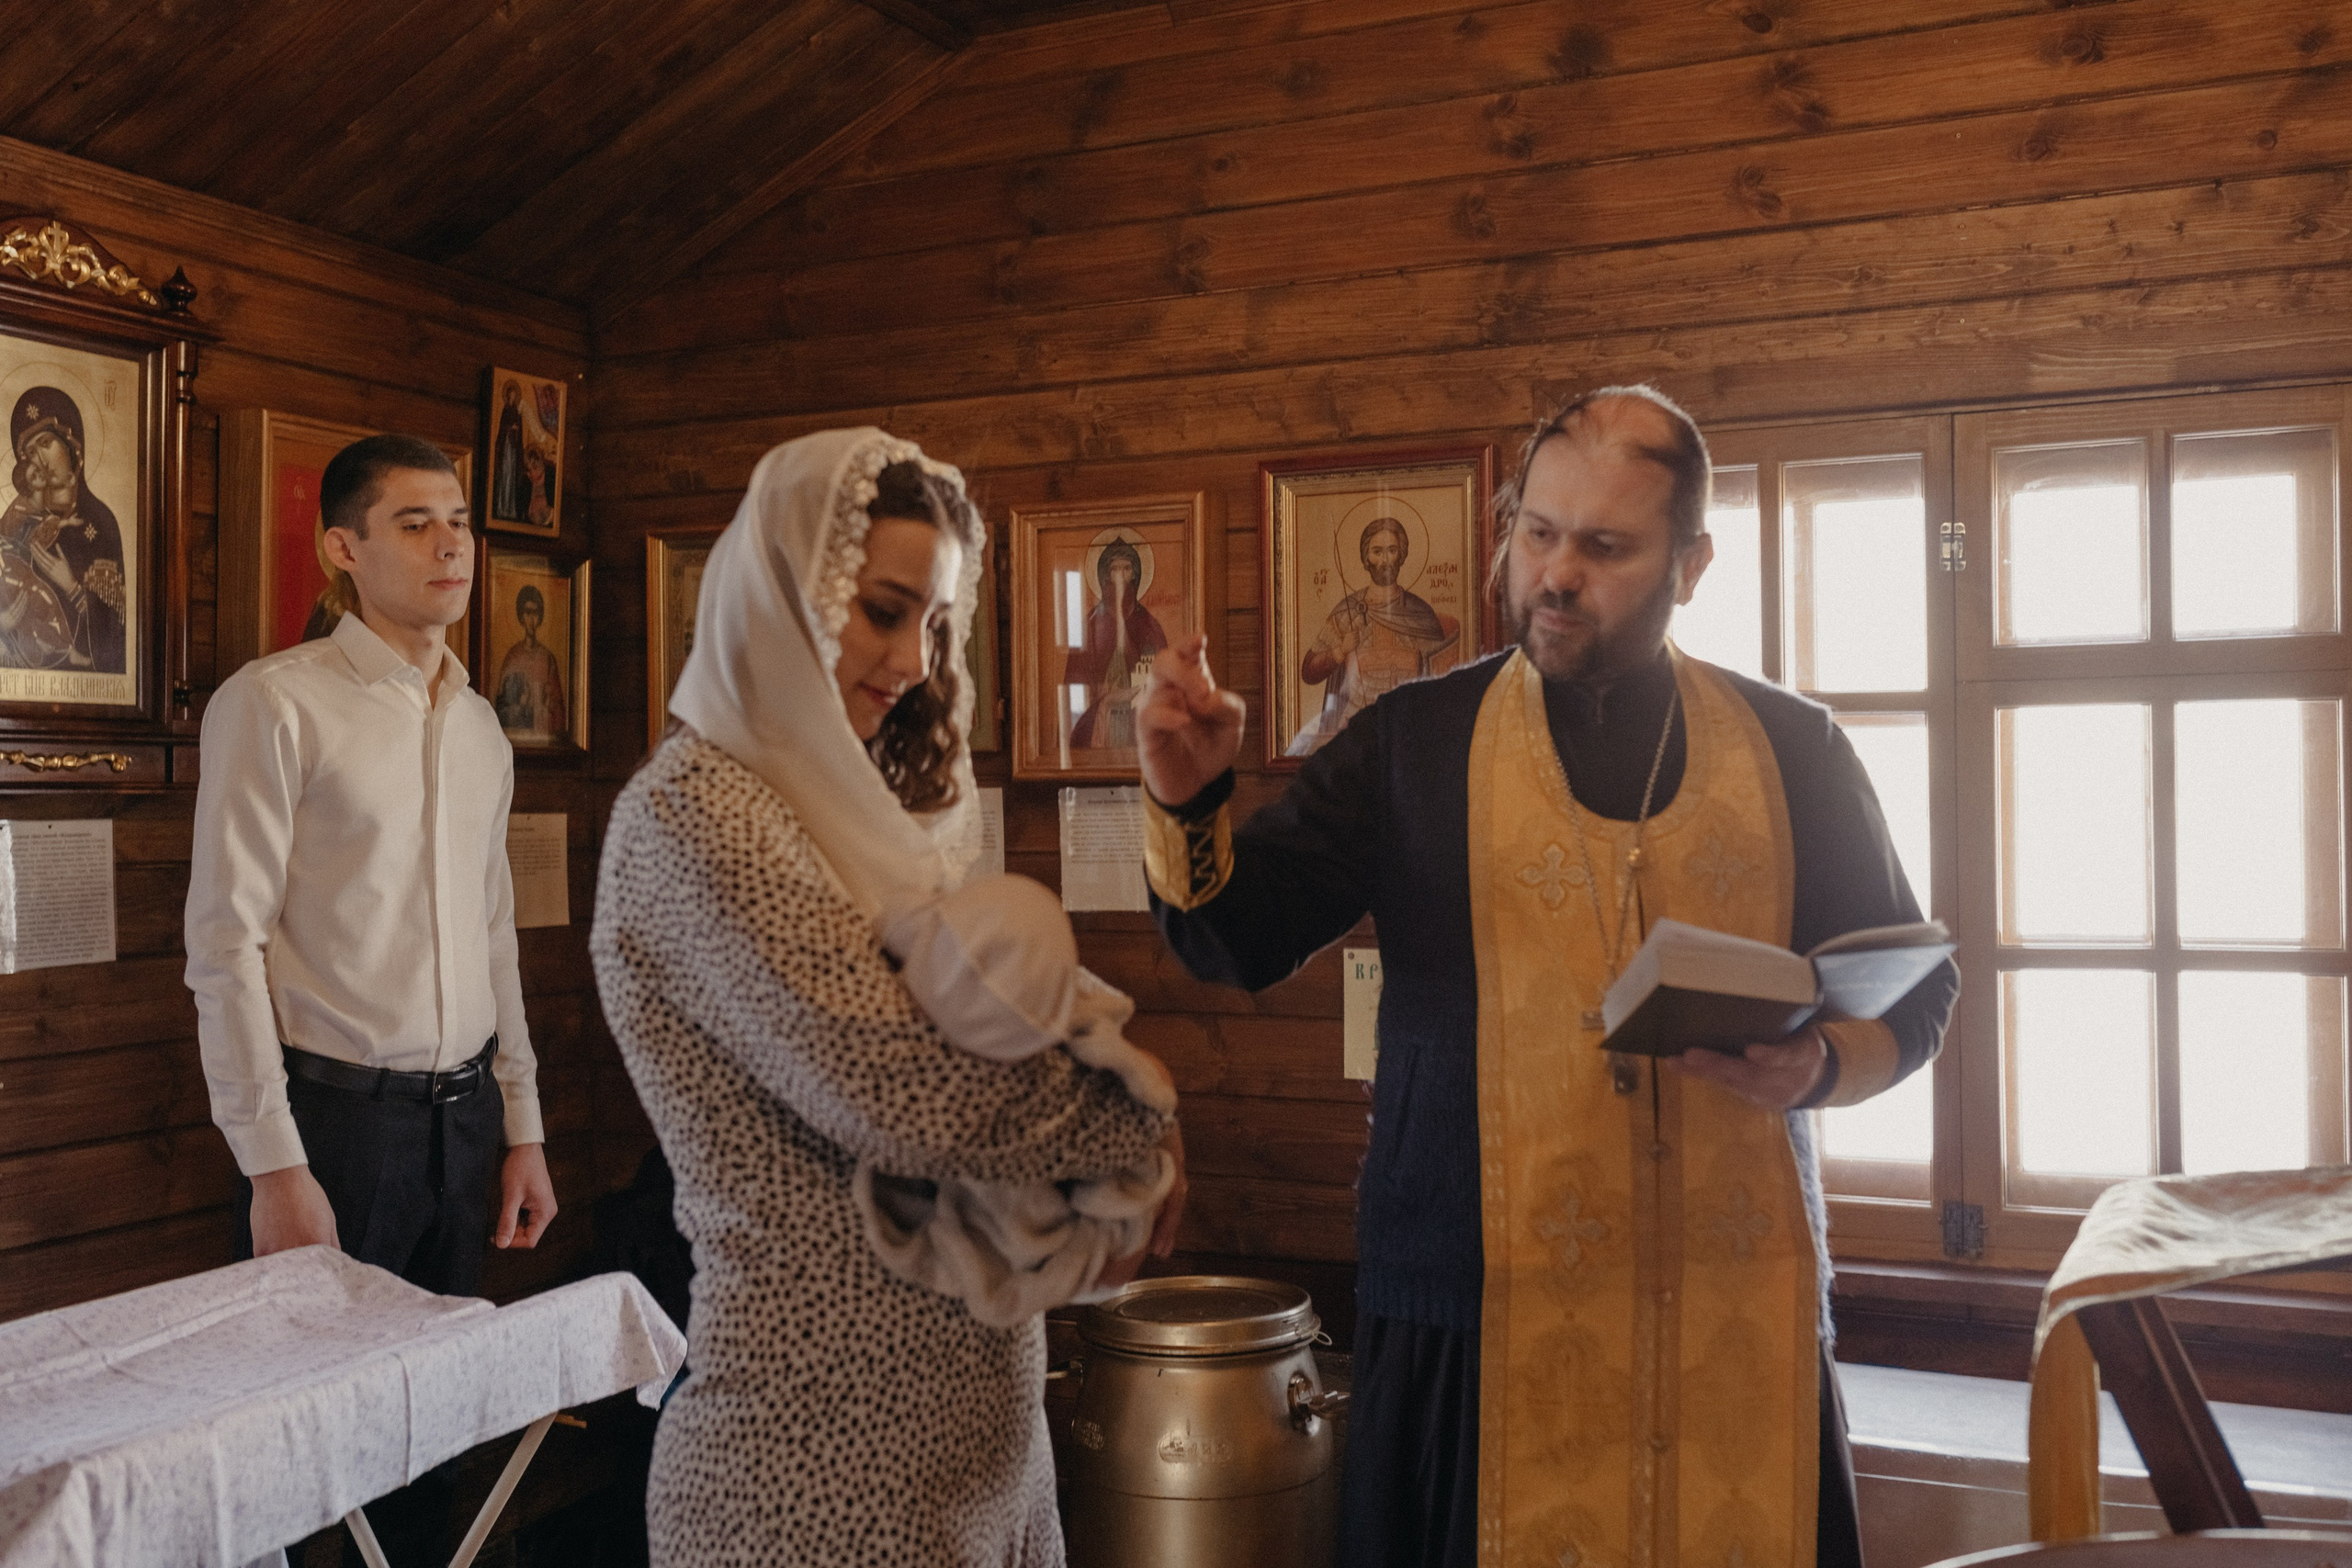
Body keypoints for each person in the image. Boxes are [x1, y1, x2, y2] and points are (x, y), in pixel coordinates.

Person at [1136, 385, 1959, 1568]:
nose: (1555, 575)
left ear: (1693, 562)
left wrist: (1823, 1059)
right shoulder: (1407, 745)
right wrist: (1185, 797)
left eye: (1605, 547)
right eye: (1536, 532)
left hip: (1734, 1319)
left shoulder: (1795, 750)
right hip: (1474, 1316)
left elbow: (1915, 988)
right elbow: (1234, 940)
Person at [592, 428, 1182, 1566]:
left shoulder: (872, 822)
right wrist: (1138, 1120)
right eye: (881, 609)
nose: (914, 657)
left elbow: (1014, 1026)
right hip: (816, 1465)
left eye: (937, 622)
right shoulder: (694, 817)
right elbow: (900, 1088)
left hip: (982, 1446)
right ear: (784, 595)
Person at [186, 433, 557, 1296]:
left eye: (459, 523)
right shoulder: (274, 703)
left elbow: (494, 936)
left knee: (444, 1419)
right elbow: (225, 949)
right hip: (334, 1128)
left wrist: (522, 1127)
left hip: (467, 1128)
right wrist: (275, 1166)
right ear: (343, 548)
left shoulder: (481, 729)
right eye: (417, 523)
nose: (452, 544)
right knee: (317, 1414)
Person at [1287, 514, 1459, 756]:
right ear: (1366, 559)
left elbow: (1441, 684)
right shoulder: (1346, 613)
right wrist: (1340, 651)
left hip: (1406, 732)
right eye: (1377, 552)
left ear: (1402, 555)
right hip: (1354, 734)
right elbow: (1308, 670)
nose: (1385, 560)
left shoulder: (1421, 615)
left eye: (1392, 550)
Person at [0, 386, 126, 671]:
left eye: (46, 443)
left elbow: (116, 636)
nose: (40, 460)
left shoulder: (101, 524)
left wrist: (72, 587)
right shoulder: (18, 525)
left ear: (72, 444)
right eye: (31, 452)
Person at [1064, 535, 1164, 750]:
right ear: (1104, 575)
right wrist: (1106, 699)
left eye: (1126, 568)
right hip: (1101, 724)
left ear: (1135, 574)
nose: (1120, 576)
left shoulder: (1148, 625)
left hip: (1137, 725)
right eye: (1114, 569)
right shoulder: (1089, 627)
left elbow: (1159, 682)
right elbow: (1076, 690)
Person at [493, 582, 567, 736]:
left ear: (540, 618)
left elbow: (558, 708)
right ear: (521, 616)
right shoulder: (513, 657)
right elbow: (501, 706)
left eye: (536, 613)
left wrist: (545, 705)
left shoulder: (548, 658)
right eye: (527, 613)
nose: (531, 619)